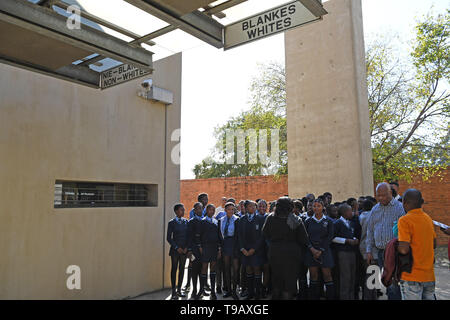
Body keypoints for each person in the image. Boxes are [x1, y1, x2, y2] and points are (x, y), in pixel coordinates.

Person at [262, 197, 309, 300]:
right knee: (289, 283)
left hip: (275, 252)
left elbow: (265, 233)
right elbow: (304, 239)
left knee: (277, 281)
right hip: (292, 254)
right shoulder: (296, 220)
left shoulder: (270, 218)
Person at [366, 182, 405, 300]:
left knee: (393, 283)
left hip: (394, 252)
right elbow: (370, 231)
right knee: (383, 280)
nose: (381, 198)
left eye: (384, 195)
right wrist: (369, 250)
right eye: (378, 195)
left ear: (390, 193)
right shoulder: (375, 209)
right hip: (379, 251)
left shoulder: (400, 208)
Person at [397, 189, 437, 300]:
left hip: (412, 275)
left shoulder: (404, 220)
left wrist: (395, 245)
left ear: (405, 203)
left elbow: (404, 249)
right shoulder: (428, 219)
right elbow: (434, 244)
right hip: (429, 275)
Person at [304, 199, 335, 300]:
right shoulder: (308, 221)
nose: (316, 208)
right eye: (314, 206)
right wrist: (312, 249)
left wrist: (321, 250)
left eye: (318, 206)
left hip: (324, 251)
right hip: (311, 252)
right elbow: (305, 237)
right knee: (313, 276)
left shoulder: (329, 221)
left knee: (327, 275)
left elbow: (330, 237)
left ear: (323, 207)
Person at [332, 204, 361, 300]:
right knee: (345, 277)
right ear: (344, 213)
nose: (351, 213)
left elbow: (350, 234)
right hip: (343, 253)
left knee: (352, 277)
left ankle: (351, 296)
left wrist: (354, 239)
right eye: (349, 211)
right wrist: (347, 241)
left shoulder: (351, 223)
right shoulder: (337, 224)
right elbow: (333, 238)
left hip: (352, 252)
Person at [238, 200, 266, 300]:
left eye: (254, 206)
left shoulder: (260, 219)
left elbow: (262, 237)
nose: (253, 208)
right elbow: (239, 236)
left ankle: (257, 294)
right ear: (245, 208)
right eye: (250, 206)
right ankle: (250, 293)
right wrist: (242, 249)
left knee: (257, 270)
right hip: (245, 251)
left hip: (256, 251)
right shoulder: (241, 220)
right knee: (248, 270)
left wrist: (254, 249)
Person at [199, 204, 221, 300]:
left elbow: (219, 236)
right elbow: (198, 236)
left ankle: (213, 291)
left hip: (214, 248)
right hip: (205, 247)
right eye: (210, 210)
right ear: (206, 211)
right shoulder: (202, 222)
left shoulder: (216, 221)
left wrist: (219, 249)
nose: (211, 211)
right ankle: (201, 290)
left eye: (213, 210)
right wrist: (200, 247)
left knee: (213, 268)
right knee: (204, 267)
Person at [167, 203, 189, 299]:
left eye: (183, 210)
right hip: (175, 251)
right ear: (176, 211)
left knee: (182, 269)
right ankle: (173, 291)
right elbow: (169, 238)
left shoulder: (186, 222)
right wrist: (176, 247)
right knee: (174, 269)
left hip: (184, 250)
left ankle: (179, 289)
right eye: (181, 210)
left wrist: (186, 247)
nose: (183, 211)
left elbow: (189, 236)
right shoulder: (171, 223)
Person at [219, 202, 240, 300]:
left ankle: (234, 290)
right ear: (225, 210)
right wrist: (220, 247)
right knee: (226, 268)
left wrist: (238, 249)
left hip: (234, 245)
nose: (231, 211)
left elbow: (239, 236)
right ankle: (228, 290)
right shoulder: (221, 220)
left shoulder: (237, 220)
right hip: (225, 245)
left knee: (235, 269)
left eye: (233, 209)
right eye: (229, 209)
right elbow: (219, 235)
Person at [187, 202, 207, 299]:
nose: (200, 210)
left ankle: (201, 290)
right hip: (194, 251)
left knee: (202, 270)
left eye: (201, 208)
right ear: (194, 210)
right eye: (198, 209)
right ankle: (194, 290)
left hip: (203, 250)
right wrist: (190, 250)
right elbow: (189, 237)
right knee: (194, 270)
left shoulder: (204, 221)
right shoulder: (191, 221)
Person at [358, 199, 377, 300]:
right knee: (371, 275)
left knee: (369, 274)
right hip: (371, 248)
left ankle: (371, 296)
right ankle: (369, 297)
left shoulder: (360, 217)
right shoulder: (373, 216)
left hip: (363, 247)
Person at [257, 199, 271, 298]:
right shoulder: (255, 218)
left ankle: (264, 288)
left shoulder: (270, 217)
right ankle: (257, 289)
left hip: (267, 248)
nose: (262, 208)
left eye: (263, 206)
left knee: (266, 269)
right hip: (257, 248)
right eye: (260, 206)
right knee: (257, 269)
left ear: (266, 208)